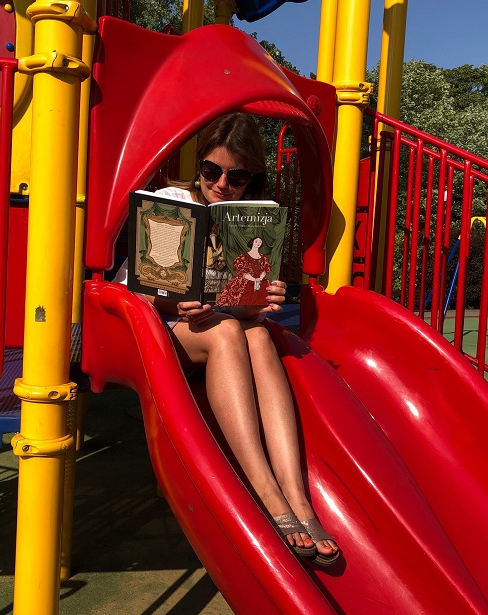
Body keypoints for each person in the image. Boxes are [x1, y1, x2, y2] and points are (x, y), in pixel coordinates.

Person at [119, 112, 340, 565]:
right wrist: (175, 303)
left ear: (250, 179)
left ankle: (297, 498)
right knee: (226, 331)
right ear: (199, 163)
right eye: (211, 170)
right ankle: (266, 493)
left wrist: (260, 300)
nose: (221, 184)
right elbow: (133, 290)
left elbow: (237, 305)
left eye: (236, 177)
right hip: (158, 327)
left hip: (219, 325)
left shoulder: (250, 219)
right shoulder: (171, 202)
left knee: (257, 334)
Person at [216, 235, 272, 306]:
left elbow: (265, 269)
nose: (258, 243)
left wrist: (260, 279)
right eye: (256, 241)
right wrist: (254, 279)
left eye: (260, 242)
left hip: (261, 281)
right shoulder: (243, 257)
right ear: (252, 242)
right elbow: (242, 272)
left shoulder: (263, 257)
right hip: (247, 280)